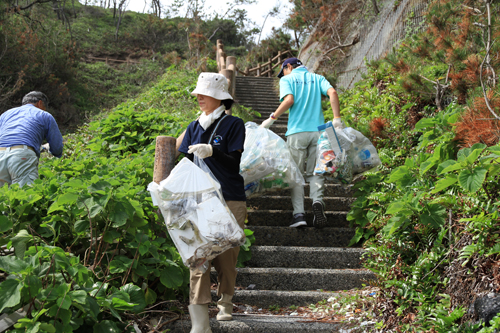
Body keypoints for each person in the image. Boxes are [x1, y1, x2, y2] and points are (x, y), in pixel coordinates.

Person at [178, 73, 246, 333]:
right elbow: (184, 163)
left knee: (227, 254)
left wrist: (213, 151)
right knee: (198, 257)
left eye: (203, 94)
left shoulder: (233, 124)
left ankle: (225, 301)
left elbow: (234, 162)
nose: (199, 98)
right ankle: (200, 319)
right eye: (198, 94)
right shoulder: (194, 126)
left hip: (229, 196)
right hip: (199, 200)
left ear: (219, 97)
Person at [261, 57, 343, 229]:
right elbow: (333, 93)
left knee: (296, 175)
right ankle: (317, 202)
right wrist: (336, 119)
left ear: (288, 67)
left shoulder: (287, 79)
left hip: (297, 133)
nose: (282, 75)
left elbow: (289, 100)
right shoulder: (317, 78)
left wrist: (272, 118)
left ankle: (299, 215)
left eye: (282, 71)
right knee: (316, 172)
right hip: (318, 132)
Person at [0, 91, 63, 188]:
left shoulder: (5, 114)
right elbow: (57, 147)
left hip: (1, 154)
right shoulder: (44, 115)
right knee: (26, 196)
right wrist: (55, 153)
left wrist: (40, 148)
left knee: (3, 198)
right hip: (22, 155)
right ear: (40, 103)